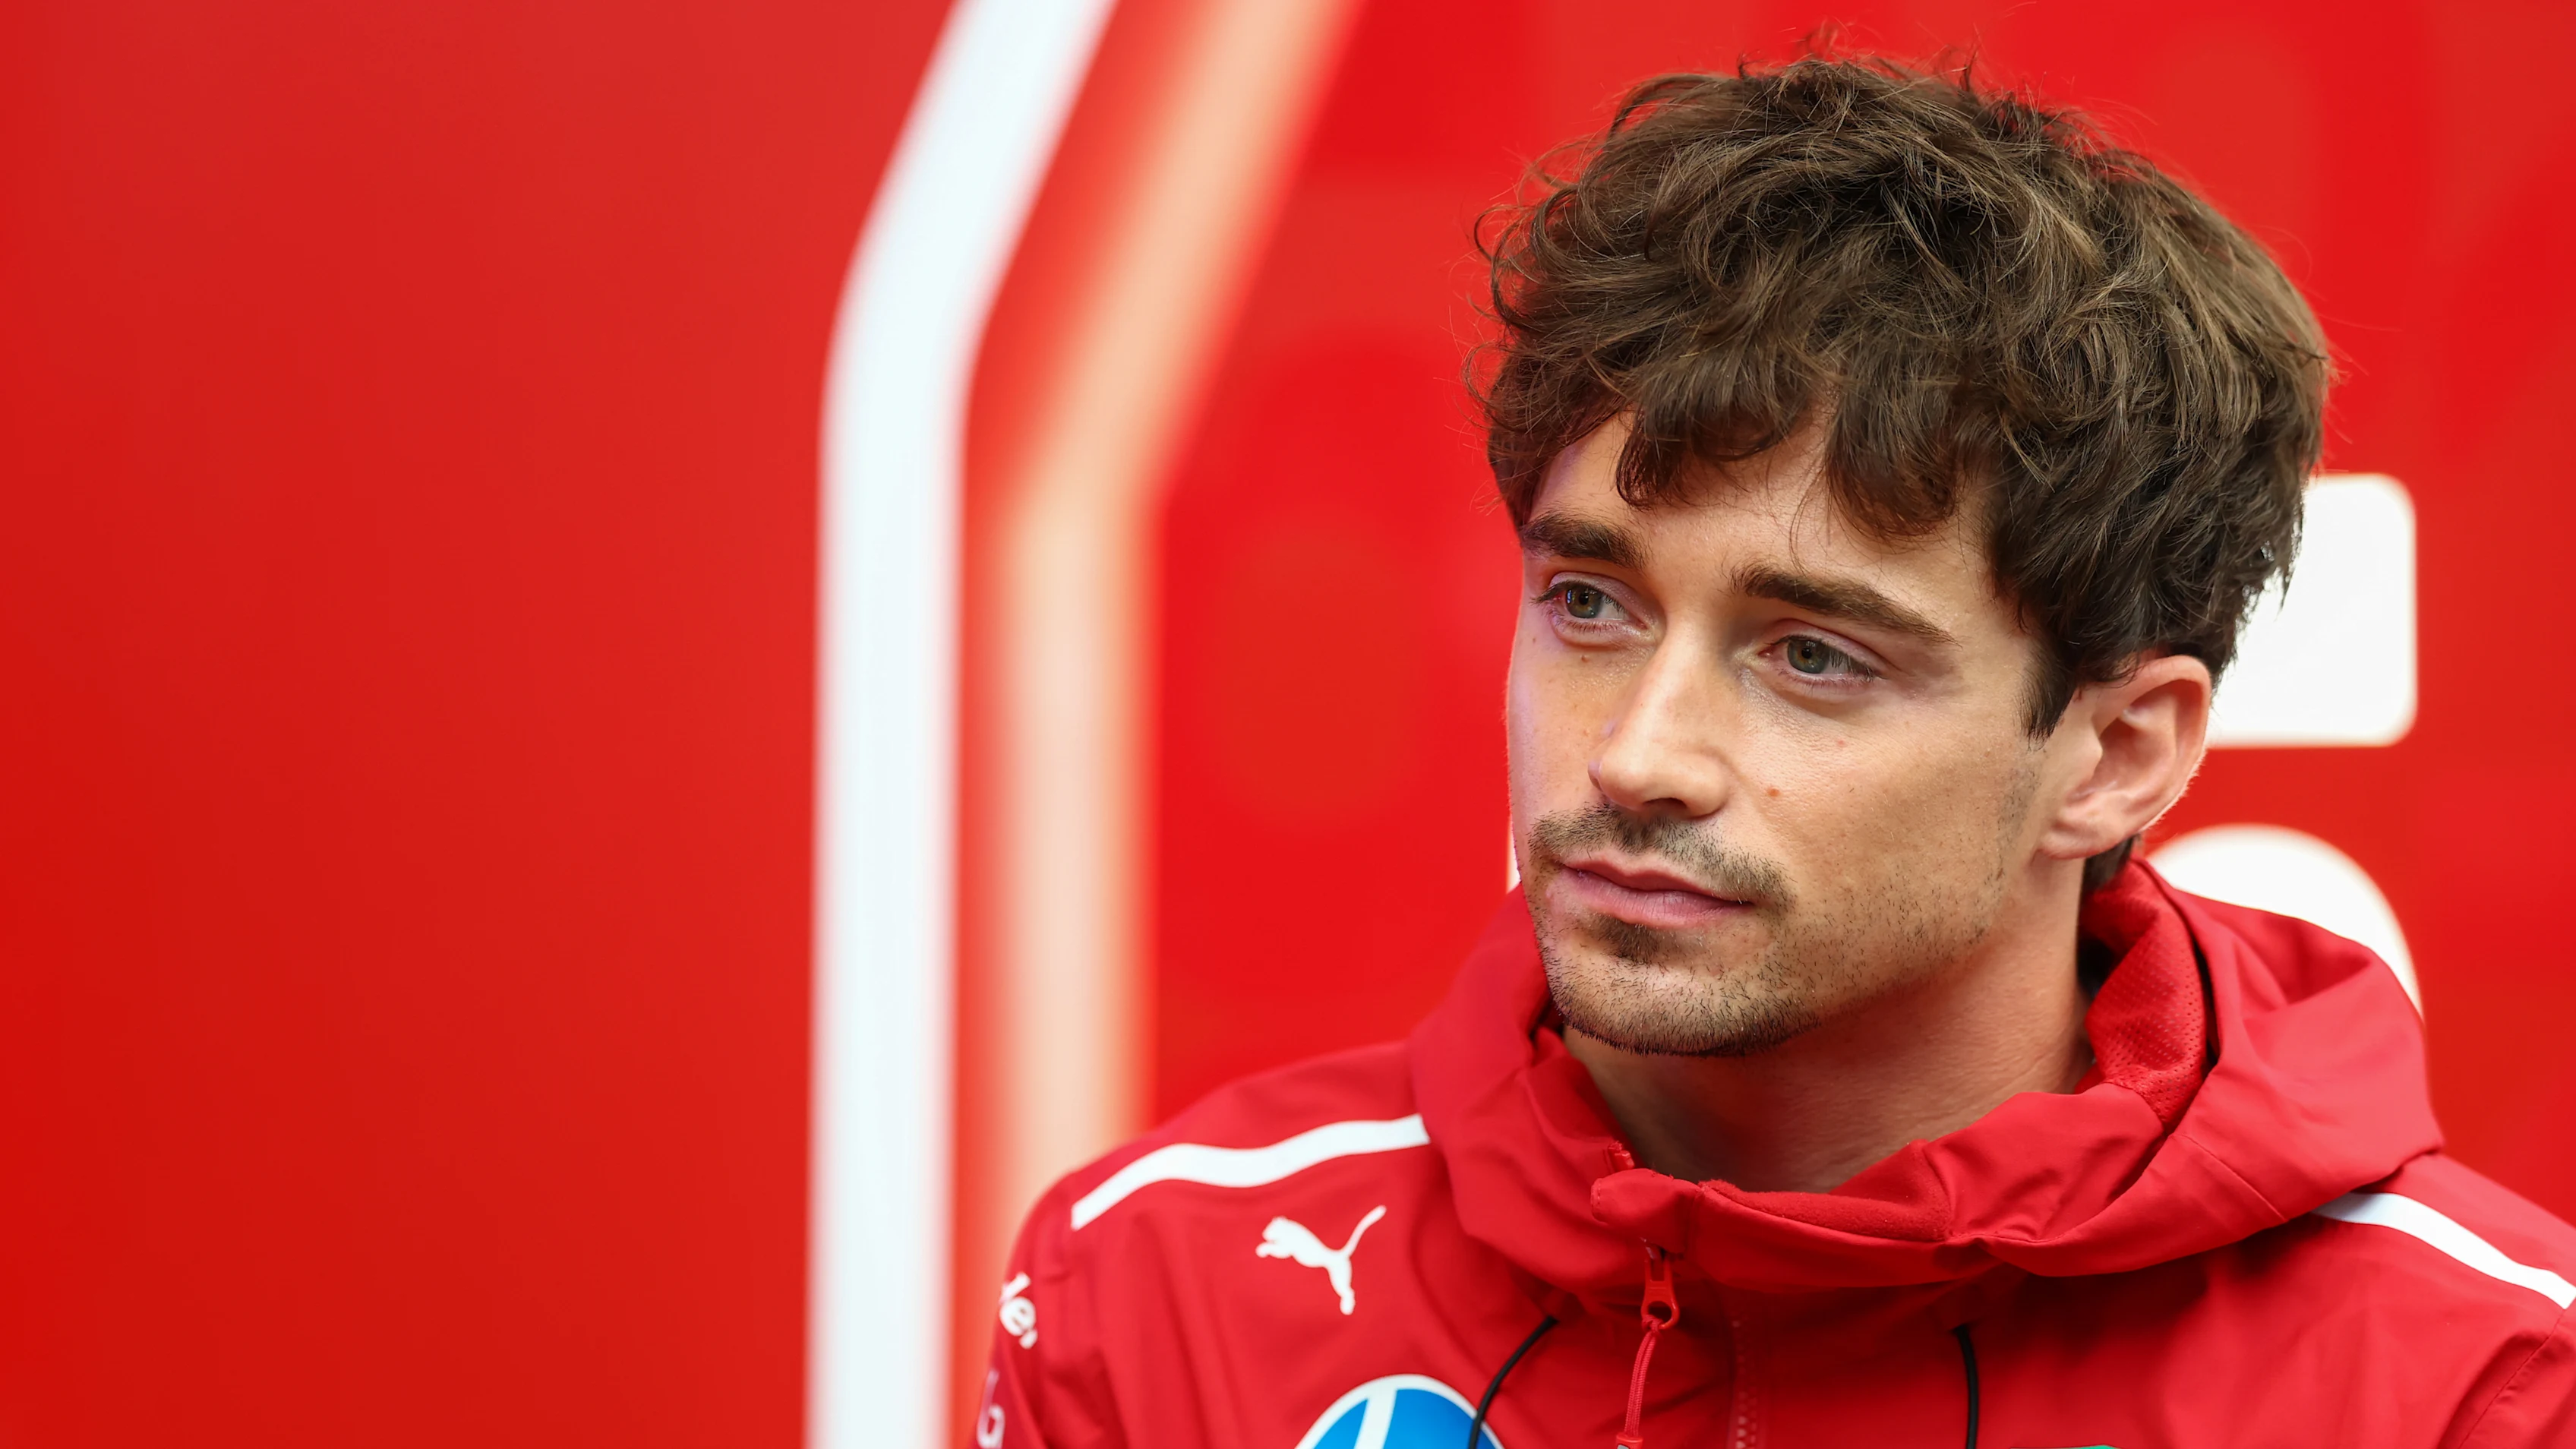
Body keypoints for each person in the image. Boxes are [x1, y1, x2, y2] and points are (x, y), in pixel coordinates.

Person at [973, 55, 2576, 1447]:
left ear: (2114, 756)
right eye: (1590, 604)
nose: (1638, 759)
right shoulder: (1163, 1283)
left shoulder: (2475, 1386)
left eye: (1811, 655)